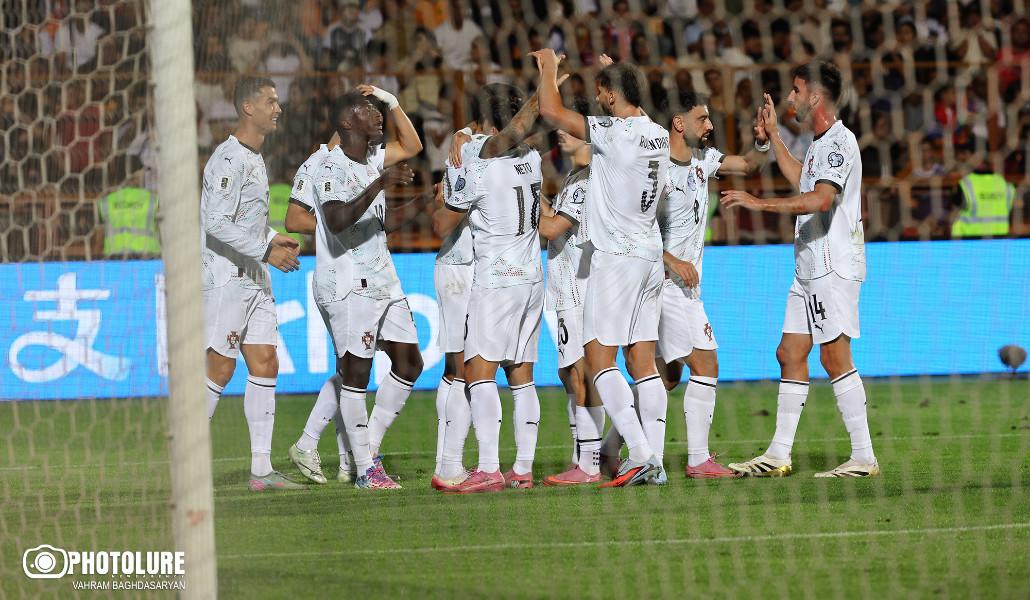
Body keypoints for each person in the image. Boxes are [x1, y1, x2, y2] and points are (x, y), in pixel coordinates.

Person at [721, 62, 879, 478]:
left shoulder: (840, 142)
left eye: (796, 90)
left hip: (832, 266)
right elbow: (802, 180)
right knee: (789, 353)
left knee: (834, 355)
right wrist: (774, 136)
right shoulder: (817, 144)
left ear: (815, 96)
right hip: (808, 266)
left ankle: (864, 456)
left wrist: (759, 203)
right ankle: (778, 454)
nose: (790, 97)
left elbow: (821, 199)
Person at [532, 48, 669, 487]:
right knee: (643, 362)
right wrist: (617, 77)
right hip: (650, 255)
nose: (596, 99)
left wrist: (549, 68)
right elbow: (634, 108)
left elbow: (551, 111)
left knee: (597, 358)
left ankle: (641, 455)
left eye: (601, 92)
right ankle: (654, 459)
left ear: (612, 97)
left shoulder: (613, 133)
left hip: (617, 258)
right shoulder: (658, 134)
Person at [287, 85, 423, 490]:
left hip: (383, 278)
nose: (377, 115)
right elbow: (331, 221)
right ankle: (363, 467)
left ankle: (363, 448)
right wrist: (380, 185)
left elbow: (382, 221)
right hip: (347, 282)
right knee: (355, 373)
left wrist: (427, 202)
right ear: (347, 121)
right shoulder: (324, 166)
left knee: (409, 363)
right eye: (368, 109)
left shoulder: (370, 161)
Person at [433, 83, 548, 493]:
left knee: (477, 372)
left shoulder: (476, 159)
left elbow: (441, 225)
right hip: (532, 278)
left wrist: (445, 193)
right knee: (522, 376)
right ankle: (523, 469)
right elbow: (512, 135)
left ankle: (487, 468)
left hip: (497, 279)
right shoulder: (533, 157)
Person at [655, 90, 771, 479]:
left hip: (685, 287)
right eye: (702, 119)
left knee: (665, 377)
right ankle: (698, 460)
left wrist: (762, 140)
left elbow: (749, 165)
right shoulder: (656, 169)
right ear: (679, 123)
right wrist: (672, 260)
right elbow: (633, 229)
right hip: (663, 284)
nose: (709, 125)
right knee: (706, 363)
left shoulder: (703, 159)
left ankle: (610, 451)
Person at [201, 76, 304, 492]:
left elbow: (245, 221)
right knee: (220, 367)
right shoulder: (228, 159)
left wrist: (273, 238)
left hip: (255, 278)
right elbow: (215, 222)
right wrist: (265, 250)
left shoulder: (255, 157)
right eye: (270, 101)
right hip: (227, 278)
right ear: (248, 107)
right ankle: (186, 466)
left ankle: (261, 471)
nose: (278, 108)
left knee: (265, 362)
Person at [537, 125, 607, 487]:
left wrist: (522, 195)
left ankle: (590, 463)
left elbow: (551, 230)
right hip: (569, 287)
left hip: (581, 287)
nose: (561, 134)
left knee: (583, 372)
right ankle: (583, 455)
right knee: (569, 374)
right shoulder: (574, 177)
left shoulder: (586, 180)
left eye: (571, 130)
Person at [429, 130, 476, 491]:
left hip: (463, 266)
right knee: (464, 369)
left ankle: (445, 461)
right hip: (461, 267)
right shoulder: (469, 154)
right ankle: (449, 467)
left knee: (454, 369)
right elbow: (442, 221)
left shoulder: (466, 144)